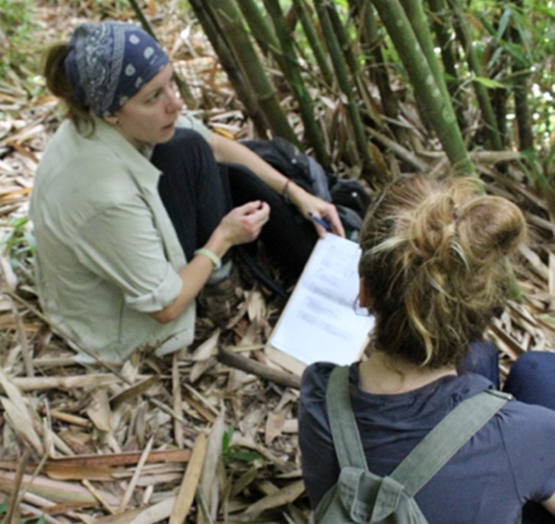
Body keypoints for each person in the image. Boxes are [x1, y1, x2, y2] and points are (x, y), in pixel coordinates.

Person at [298, 174, 555, 524]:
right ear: (482, 304)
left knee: (486, 367)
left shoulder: (318, 395)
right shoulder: (521, 434)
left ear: (365, 292)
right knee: (540, 375)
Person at [30, 20, 343, 363]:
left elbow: (214, 145)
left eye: (171, 85)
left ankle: (316, 257)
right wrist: (223, 238)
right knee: (209, 165)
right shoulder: (106, 195)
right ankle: (221, 292)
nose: (174, 104)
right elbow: (164, 308)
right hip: (119, 326)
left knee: (196, 149)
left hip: (116, 252)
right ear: (113, 113)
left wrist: (295, 191)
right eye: (154, 97)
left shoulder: (102, 114)